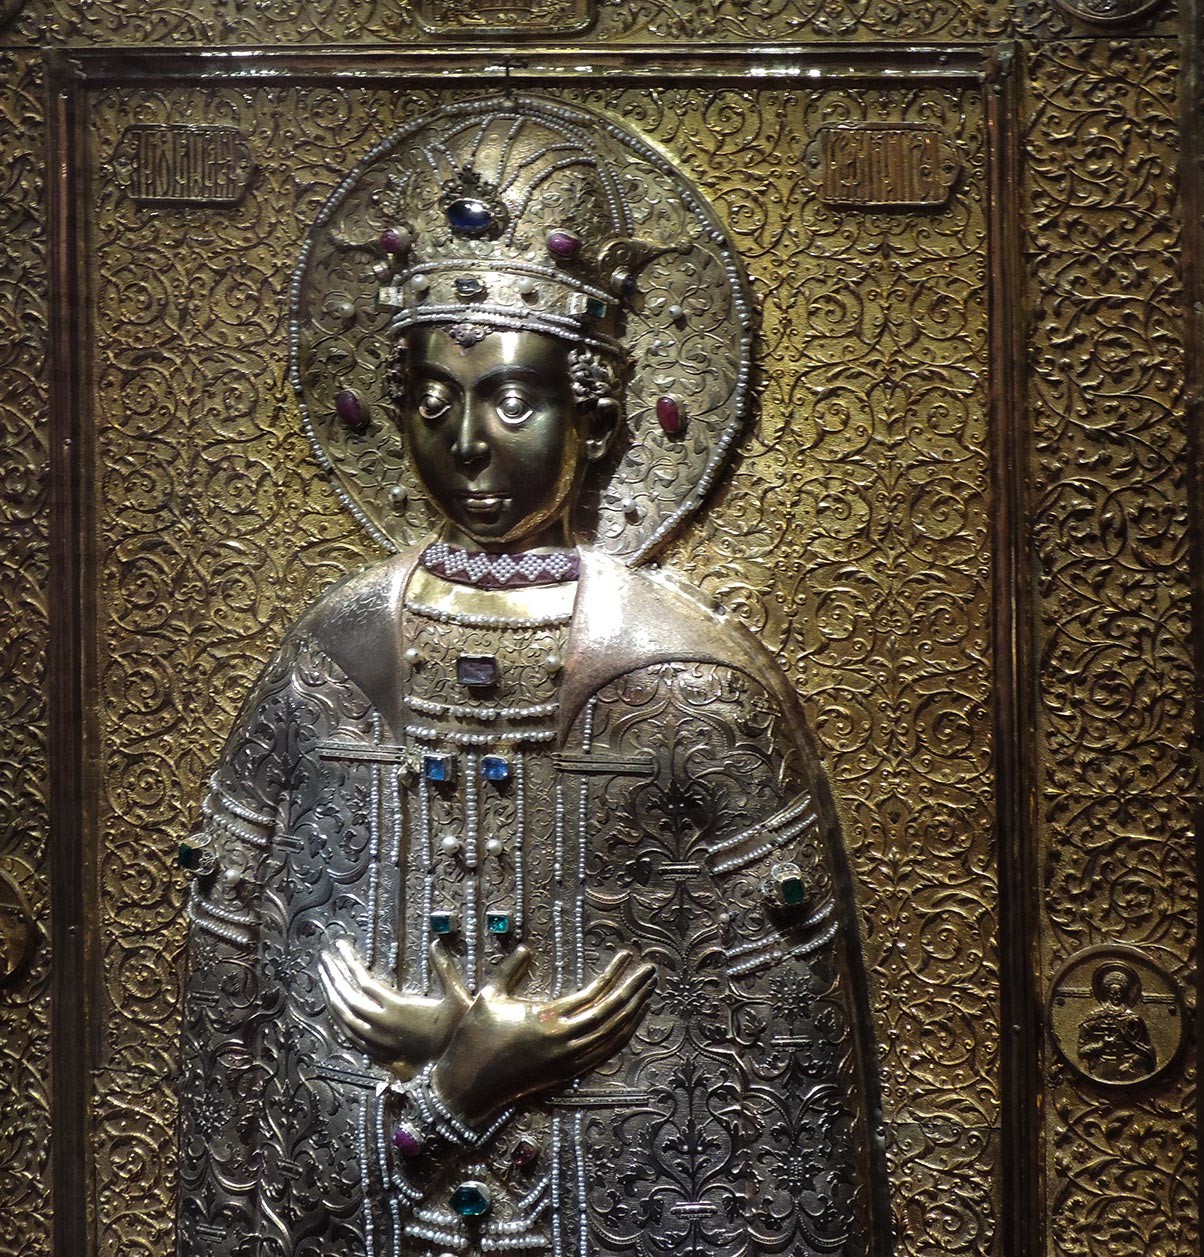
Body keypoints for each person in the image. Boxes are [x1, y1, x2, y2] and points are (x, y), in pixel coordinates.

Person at [176, 95, 883, 1257]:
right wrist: (450, 1081)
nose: (467, 444)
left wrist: (489, 1072)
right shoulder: (330, 663)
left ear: (595, 421)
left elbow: (783, 1067)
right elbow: (237, 1023)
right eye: (433, 400)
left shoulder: (686, 681)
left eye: (512, 398)